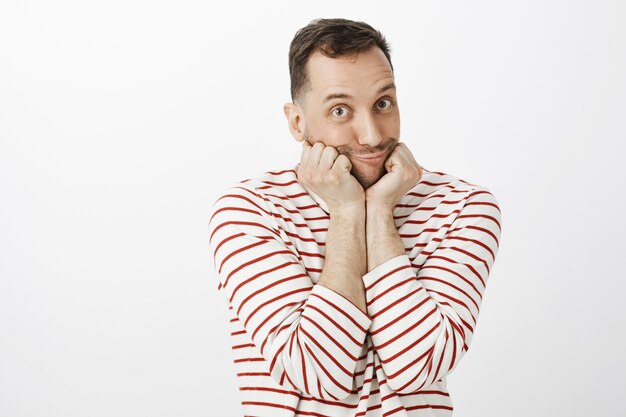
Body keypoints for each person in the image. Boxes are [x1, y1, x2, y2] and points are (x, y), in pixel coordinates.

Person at [207, 17, 502, 417]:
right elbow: (317, 372)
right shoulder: (250, 211)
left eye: (383, 103)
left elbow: (418, 368)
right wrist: (347, 213)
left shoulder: (463, 206)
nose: (371, 136)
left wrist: (378, 211)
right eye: (341, 110)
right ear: (297, 122)